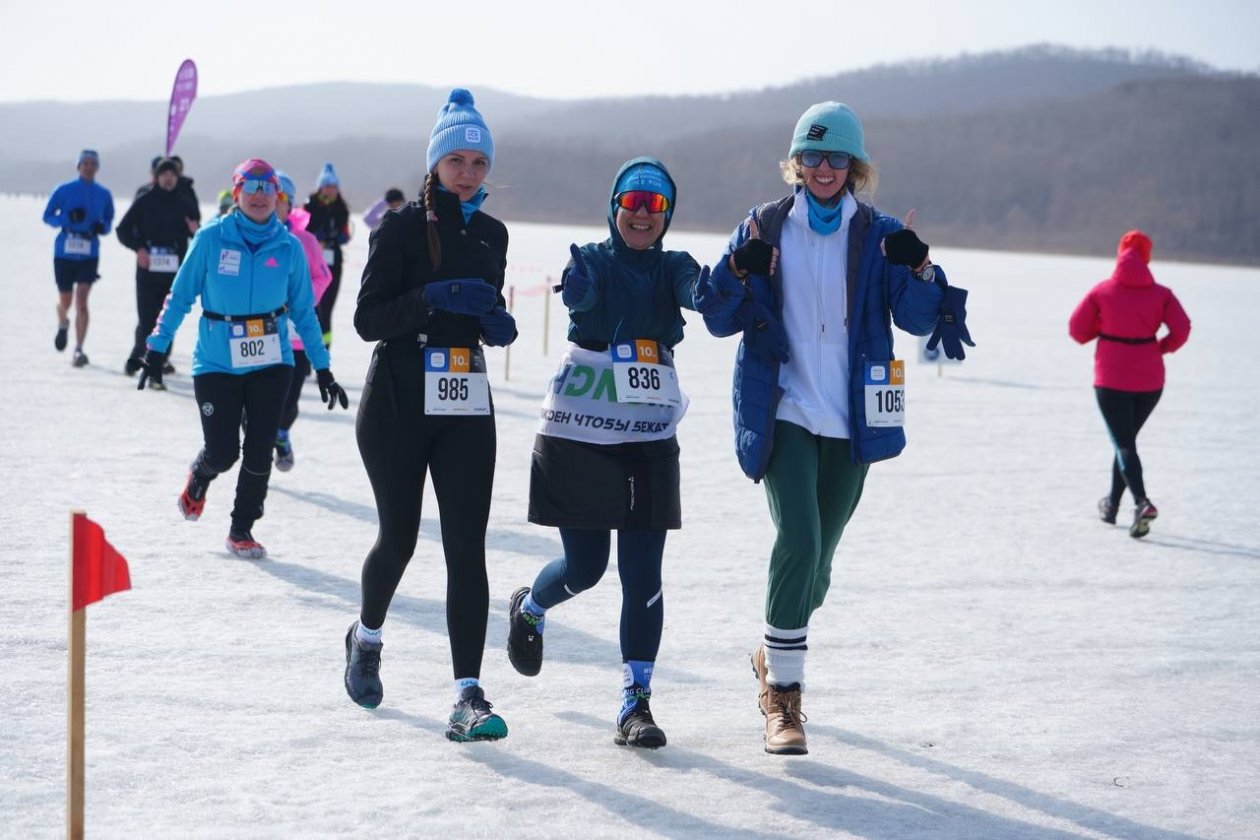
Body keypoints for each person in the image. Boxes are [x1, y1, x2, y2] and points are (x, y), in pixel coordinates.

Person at [694, 101, 972, 755]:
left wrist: (920, 267)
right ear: (797, 161)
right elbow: (715, 313)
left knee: (817, 566)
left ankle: (772, 650)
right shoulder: (764, 225)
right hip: (783, 406)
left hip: (851, 419)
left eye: (837, 157)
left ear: (855, 167)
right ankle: (783, 705)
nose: (824, 168)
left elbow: (921, 317)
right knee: (798, 537)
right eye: (813, 156)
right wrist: (737, 269)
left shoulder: (876, 234)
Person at [506, 157, 700, 750]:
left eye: (655, 206)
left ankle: (634, 703)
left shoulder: (675, 267)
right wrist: (580, 294)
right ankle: (532, 606)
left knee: (643, 575)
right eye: (632, 203)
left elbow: (702, 294)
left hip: (647, 439)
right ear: (614, 206)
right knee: (586, 568)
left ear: (667, 215)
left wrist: (727, 283)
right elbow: (581, 301)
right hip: (581, 433)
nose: (642, 216)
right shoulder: (589, 261)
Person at [344, 88, 517, 743]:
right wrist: (429, 296)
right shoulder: (401, 228)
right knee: (401, 538)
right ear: (435, 164)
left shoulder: (493, 233)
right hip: (396, 399)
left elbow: (482, 313)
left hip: (465, 398)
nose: (469, 171)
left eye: (478, 161)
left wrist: (497, 326)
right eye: (457, 159)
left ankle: (467, 695)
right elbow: (366, 320)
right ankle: (367, 637)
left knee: (468, 546)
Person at [137, 158, 349, 559]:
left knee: (260, 446)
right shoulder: (211, 238)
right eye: (249, 188)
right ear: (236, 194)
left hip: (273, 360)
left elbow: (305, 312)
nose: (258, 196)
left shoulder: (288, 247)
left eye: (267, 189)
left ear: (278, 197)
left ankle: (242, 527)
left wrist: (322, 367)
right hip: (217, 360)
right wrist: (155, 346)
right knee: (223, 452)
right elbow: (180, 296)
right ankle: (201, 473)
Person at [1069, 230, 1191, 538]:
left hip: (1111, 379)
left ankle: (1141, 502)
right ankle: (1111, 506)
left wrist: (1105, 327)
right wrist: (1160, 347)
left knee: (1124, 443)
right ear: (1147, 256)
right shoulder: (1162, 294)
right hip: (1150, 381)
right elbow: (1182, 328)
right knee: (1126, 442)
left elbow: (1077, 329)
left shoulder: (1103, 291)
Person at [271, 170, 334, 470]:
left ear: (289, 204)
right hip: (258, 336)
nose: (273, 203)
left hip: (295, 335)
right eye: (269, 195)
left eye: (280, 198)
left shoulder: (304, 241)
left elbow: (324, 276)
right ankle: (258, 438)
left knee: (290, 398)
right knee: (254, 397)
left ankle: (281, 433)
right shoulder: (247, 238)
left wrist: (302, 301)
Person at [117, 157, 199, 380]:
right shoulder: (145, 201)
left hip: (174, 273)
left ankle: (158, 366)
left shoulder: (185, 202)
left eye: (172, 174)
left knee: (168, 320)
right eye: (164, 174)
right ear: (157, 177)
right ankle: (137, 356)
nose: (168, 178)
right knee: (146, 321)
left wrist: (195, 229)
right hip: (148, 271)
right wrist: (139, 249)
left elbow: (198, 232)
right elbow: (122, 230)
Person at [42, 149, 114, 366]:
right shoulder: (63, 190)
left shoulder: (104, 193)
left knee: (82, 300)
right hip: (65, 251)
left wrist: (103, 226)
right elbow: (47, 216)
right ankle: (63, 322)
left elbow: (109, 220)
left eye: (93, 164)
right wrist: (66, 218)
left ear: (97, 167)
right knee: (66, 300)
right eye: (85, 163)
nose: (89, 167)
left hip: (89, 252)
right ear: (79, 166)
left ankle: (79, 349)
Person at [303, 162, 352, 346]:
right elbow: (301, 231)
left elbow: (345, 232)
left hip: (333, 263)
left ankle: (324, 354)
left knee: (327, 309)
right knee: (311, 308)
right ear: (320, 187)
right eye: (327, 186)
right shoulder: (310, 206)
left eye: (333, 186)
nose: (330, 190)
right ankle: (307, 354)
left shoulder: (341, 208)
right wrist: (316, 238)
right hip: (311, 262)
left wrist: (340, 237)